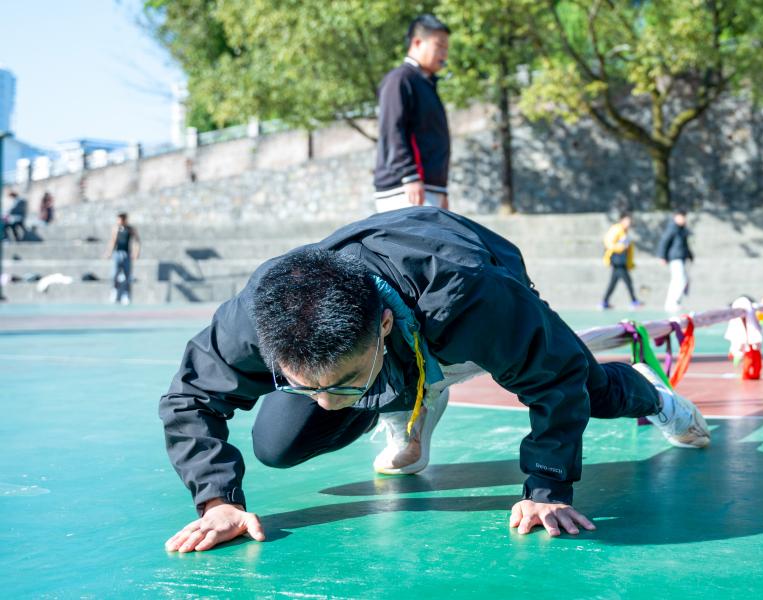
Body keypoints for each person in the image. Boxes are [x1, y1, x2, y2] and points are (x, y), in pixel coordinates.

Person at [160, 207, 711, 553]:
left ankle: (654, 397)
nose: (325, 405)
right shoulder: (256, 317)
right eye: (305, 385)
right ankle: (409, 400)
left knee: (589, 390)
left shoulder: (474, 300)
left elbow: (556, 378)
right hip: (394, 330)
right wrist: (217, 500)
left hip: (465, 285)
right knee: (278, 444)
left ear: (382, 328)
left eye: (342, 383)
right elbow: (190, 396)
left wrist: (547, 487)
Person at [373, 15, 451, 213]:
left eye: (446, 48)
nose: (444, 54)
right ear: (417, 43)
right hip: (405, 189)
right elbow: (392, 130)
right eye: (439, 46)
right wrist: (409, 176)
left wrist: (442, 191)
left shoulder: (425, 83)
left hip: (427, 188)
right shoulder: (400, 79)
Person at [599, 212, 641, 310]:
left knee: (613, 283)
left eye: (629, 221)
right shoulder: (616, 229)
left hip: (622, 261)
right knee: (628, 281)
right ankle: (634, 301)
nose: (629, 223)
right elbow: (608, 243)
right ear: (622, 220)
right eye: (627, 220)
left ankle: (604, 301)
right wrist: (621, 247)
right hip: (617, 260)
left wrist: (630, 263)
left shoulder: (624, 231)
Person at [657, 210, 694, 314]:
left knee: (680, 280)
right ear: (676, 217)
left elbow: (684, 245)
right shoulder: (672, 228)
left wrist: (690, 255)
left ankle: (674, 303)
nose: (684, 219)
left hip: (681, 258)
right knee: (679, 280)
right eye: (682, 217)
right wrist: (662, 256)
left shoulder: (682, 230)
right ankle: (672, 303)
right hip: (675, 258)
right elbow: (664, 242)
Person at [104, 212, 140, 305]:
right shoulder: (116, 229)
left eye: (120, 219)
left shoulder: (130, 229)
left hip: (127, 254)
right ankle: (114, 291)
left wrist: (136, 252)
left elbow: (137, 240)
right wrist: (109, 252)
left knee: (127, 275)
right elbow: (113, 241)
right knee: (114, 274)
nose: (118, 221)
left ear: (124, 220)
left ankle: (126, 294)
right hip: (117, 253)